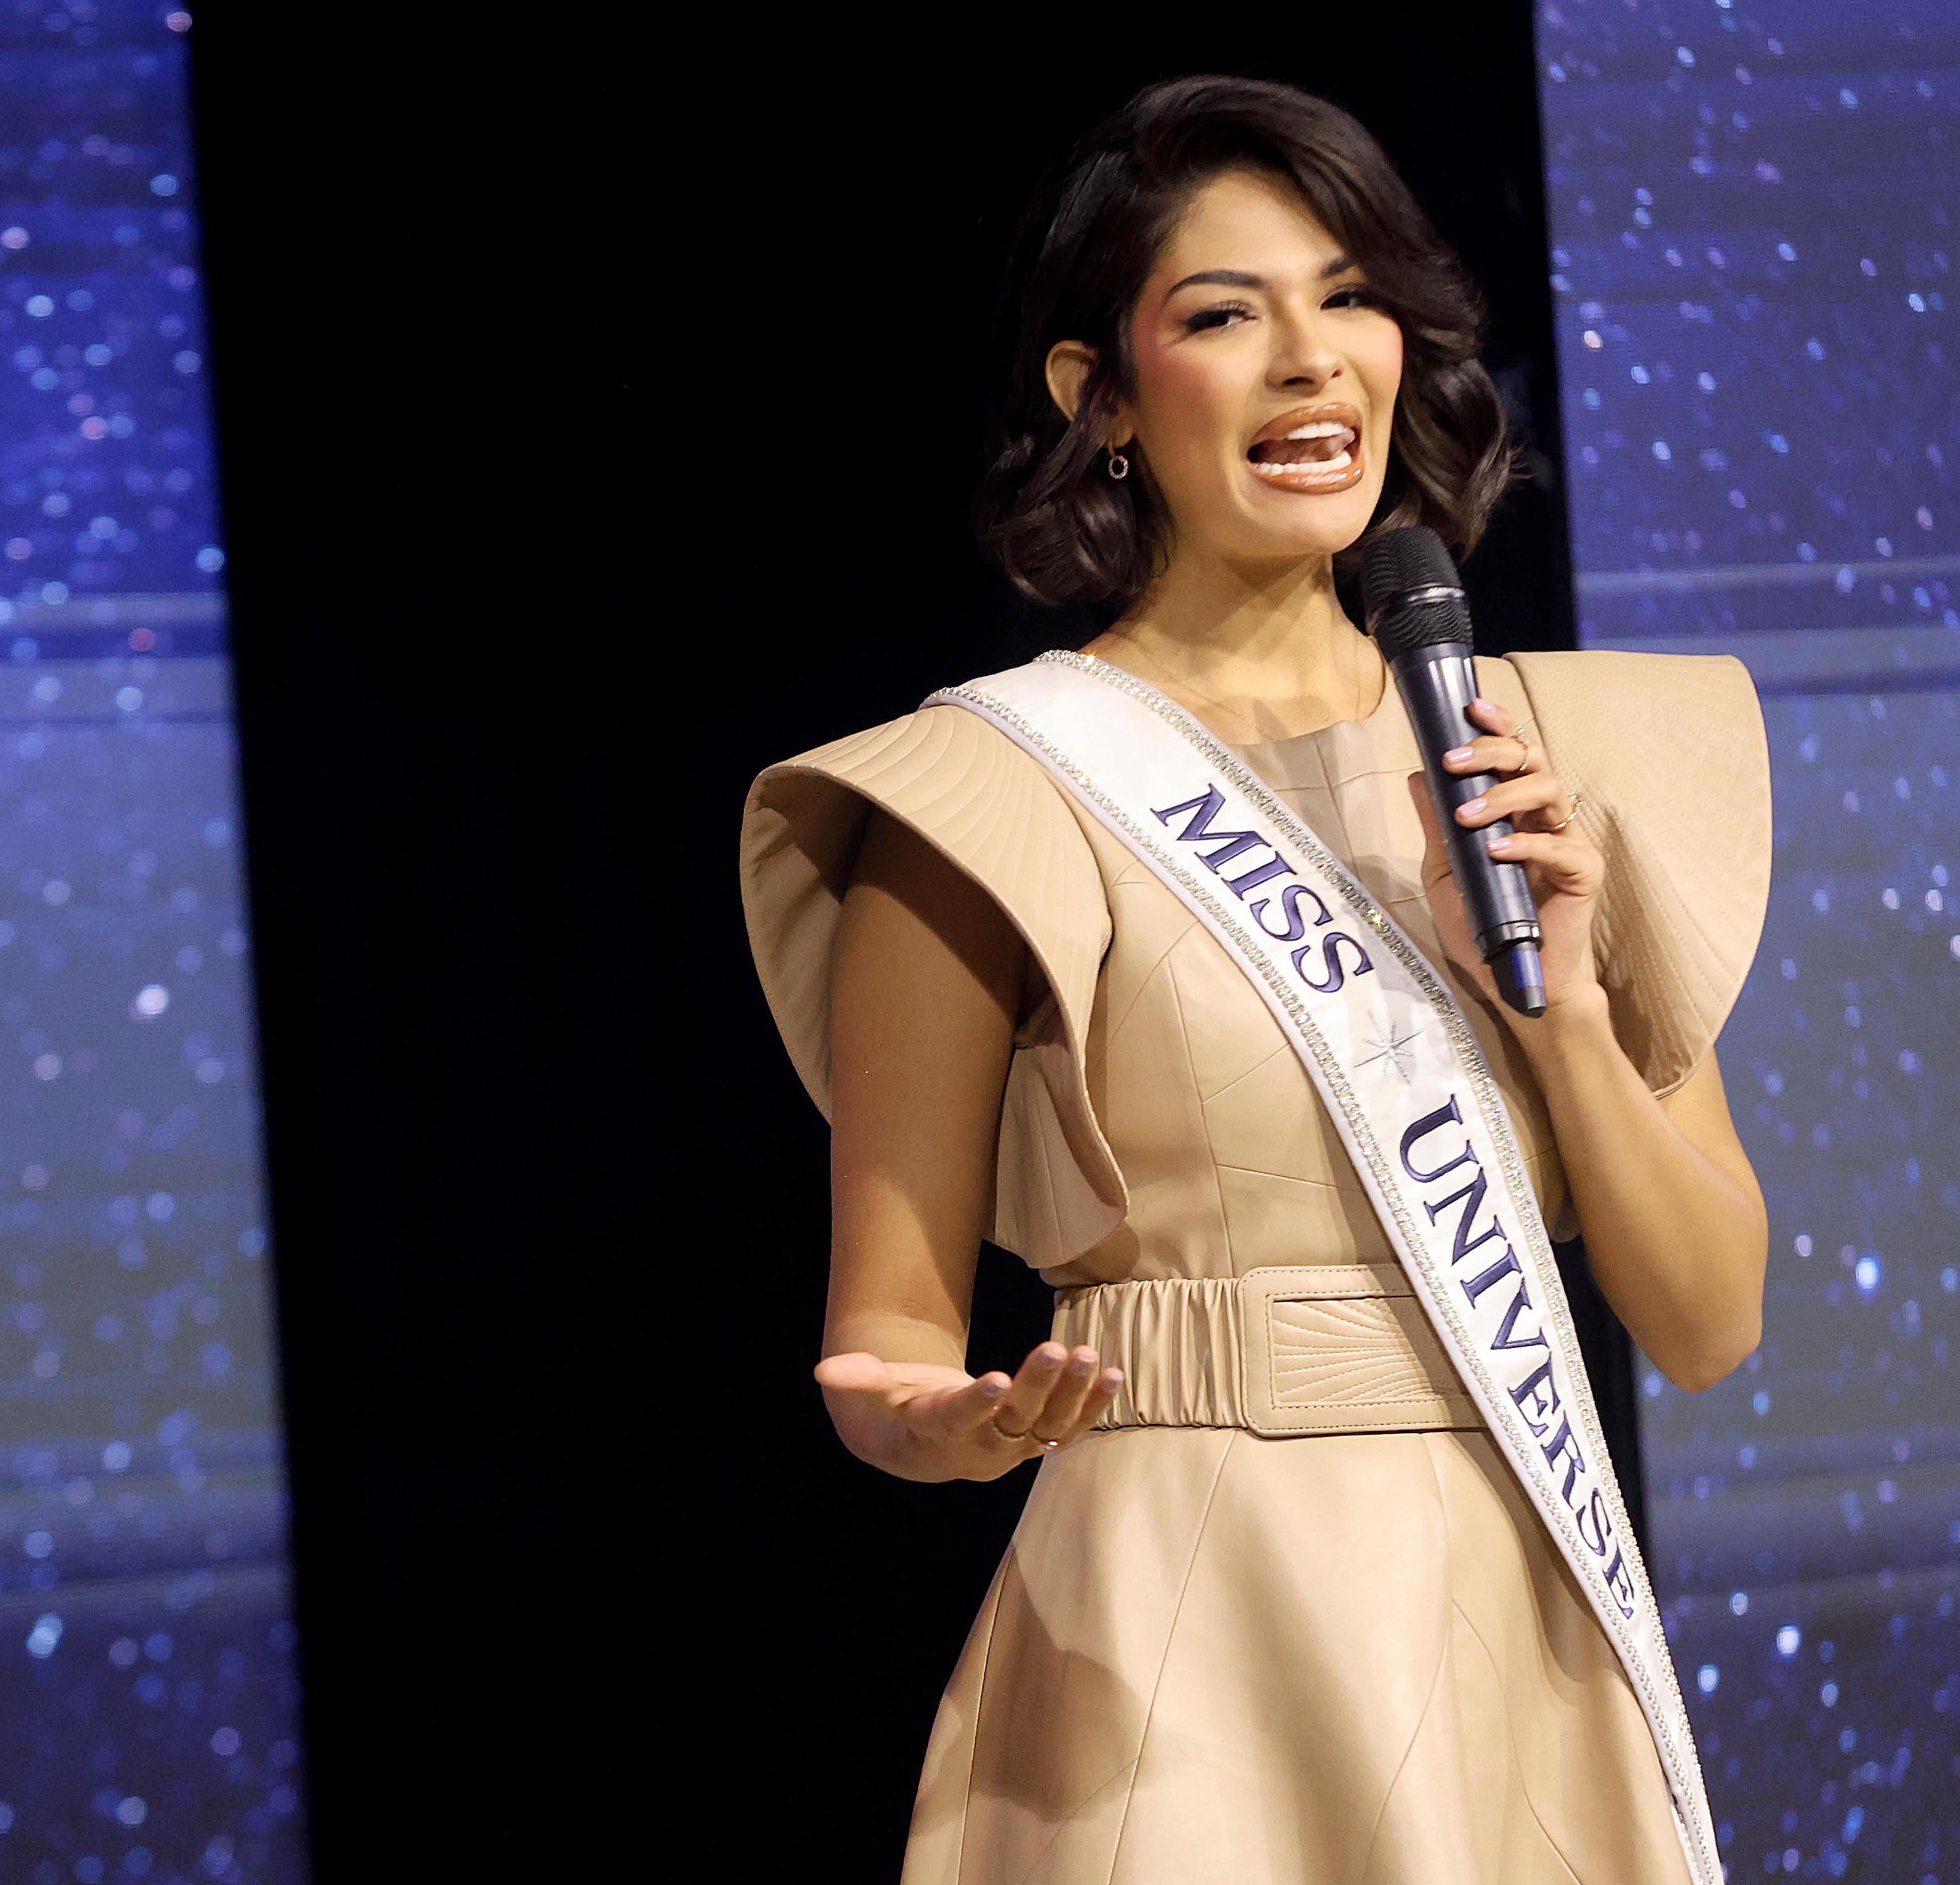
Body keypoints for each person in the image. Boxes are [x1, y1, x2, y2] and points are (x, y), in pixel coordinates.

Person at [738, 77, 1770, 1883]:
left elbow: (1705, 1323)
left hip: (1522, 1609)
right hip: (1183, 1621)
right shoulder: (987, 791)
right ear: (1102, 395)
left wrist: (1567, 1019)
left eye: (1348, 298)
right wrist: (938, 1420)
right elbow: (882, 1336)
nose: (1311, 360)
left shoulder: (1542, 756)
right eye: (1225, 315)